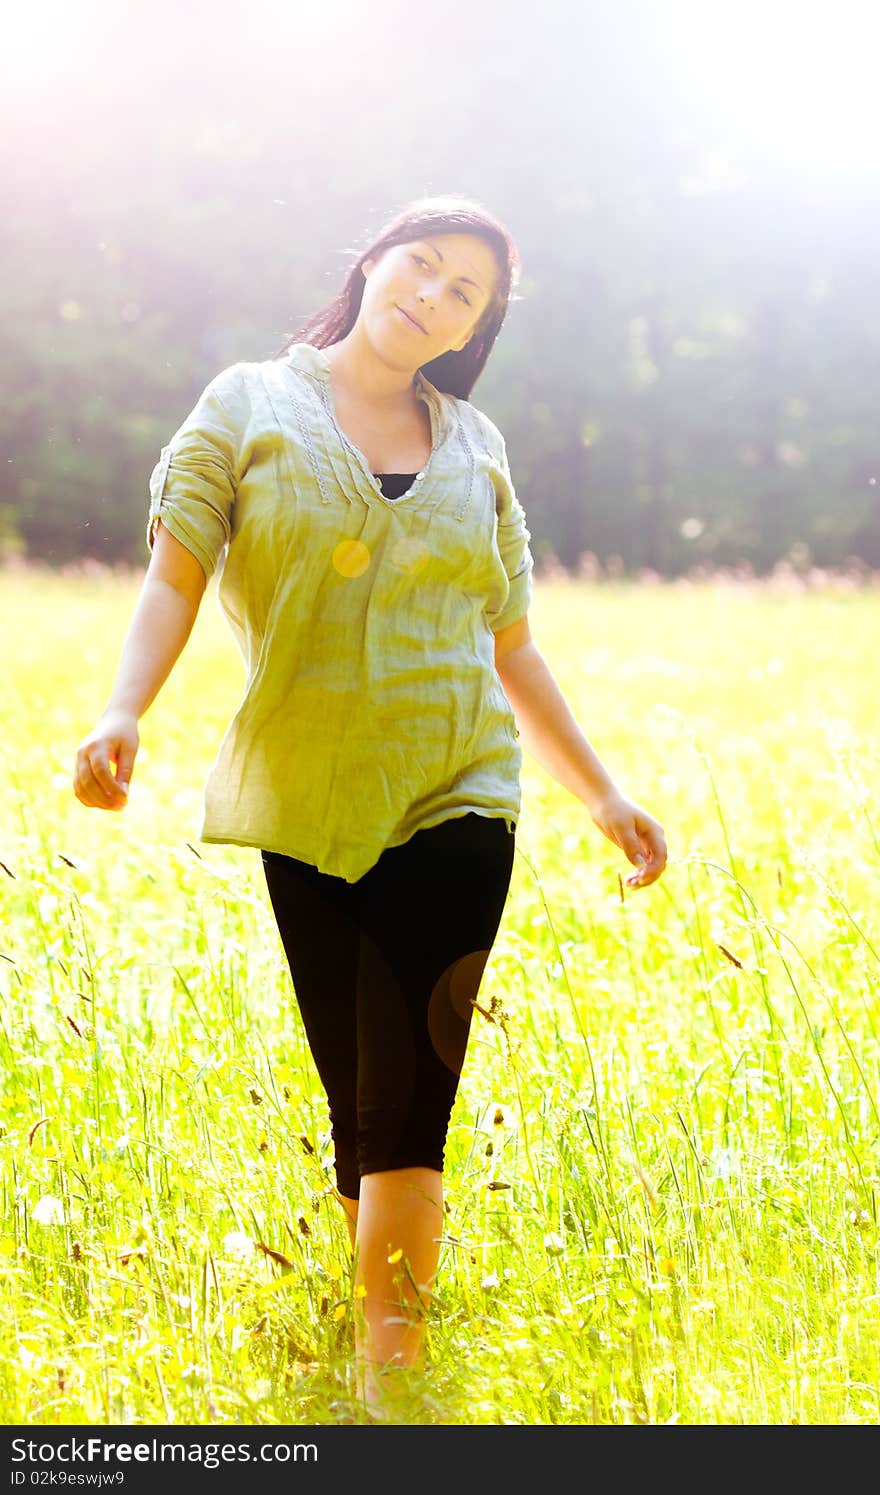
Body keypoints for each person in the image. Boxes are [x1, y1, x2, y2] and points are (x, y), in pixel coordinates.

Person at [73, 194, 667, 1419]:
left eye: (468, 296)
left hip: (460, 792)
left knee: (410, 1099)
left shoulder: (478, 446)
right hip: (305, 796)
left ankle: (391, 1395)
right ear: (375, 262)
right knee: (360, 1101)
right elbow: (173, 575)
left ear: (472, 332)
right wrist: (124, 711)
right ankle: (374, 1338)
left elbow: (514, 646)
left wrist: (602, 794)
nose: (436, 297)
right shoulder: (246, 405)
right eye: (426, 266)